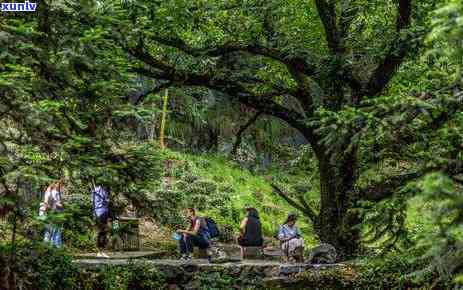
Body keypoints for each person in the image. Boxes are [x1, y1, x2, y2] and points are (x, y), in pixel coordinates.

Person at [43, 179, 65, 247]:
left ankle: (54, 247)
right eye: (60, 185)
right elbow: (50, 202)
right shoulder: (52, 191)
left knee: (55, 230)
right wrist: (60, 205)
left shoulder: (55, 192)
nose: (61, 187)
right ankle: (54, 247)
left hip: (56, 213)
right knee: (53, 230)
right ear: (56, 184)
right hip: (53, 213)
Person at [91, 184, 110, 258]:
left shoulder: (102, 190)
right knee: (102, 232)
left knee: (104, 232)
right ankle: (100, 251)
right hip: (99, 213)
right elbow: (95, 203)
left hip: (104, 212)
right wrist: (106, 201)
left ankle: (102, 251)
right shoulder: (97, 191)